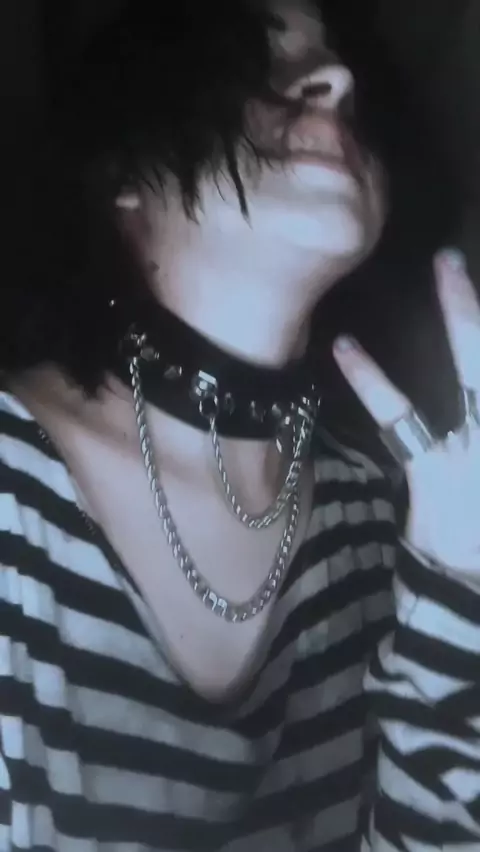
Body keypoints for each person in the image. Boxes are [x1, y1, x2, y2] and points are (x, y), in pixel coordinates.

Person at [1, 0, 480, 849]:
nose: (338, 80)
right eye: (252, 65)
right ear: (122, 167)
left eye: (346, 79)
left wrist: (459, 591)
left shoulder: (393, 529)